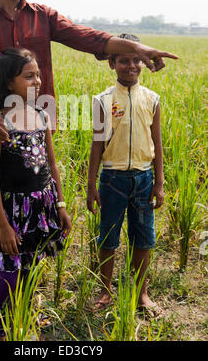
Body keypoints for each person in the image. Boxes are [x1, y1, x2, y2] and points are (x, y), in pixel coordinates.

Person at [0, 0, 177, 330]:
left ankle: (24, 296)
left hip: (35, 138)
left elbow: (90, 38)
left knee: (32, 220)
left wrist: (140, 50)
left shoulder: (44, 16)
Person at [0, 47, 71, 340]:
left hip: (42, 207)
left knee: (32, 264)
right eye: (29, 76)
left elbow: (51, 163)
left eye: (38, 75)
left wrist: (61, 204)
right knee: (10, 270)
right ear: (9, 83)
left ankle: (24, 315)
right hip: (14, 210)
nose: (38, 81)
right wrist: (3, 225)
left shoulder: (43, 115)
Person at [86, 34, 164, 318]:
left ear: (143, 62)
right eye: (123, 60)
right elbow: (97, 144)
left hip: (143, 179)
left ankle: (141, 293)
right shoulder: (103, 100)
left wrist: (159, 183)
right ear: (112, 63)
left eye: (135, 60)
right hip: (112, 180)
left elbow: (157, 143)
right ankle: (105, 290)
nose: (130, 66)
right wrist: (91, 184)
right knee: (108, 237)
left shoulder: (152, 99)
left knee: (143, 238)